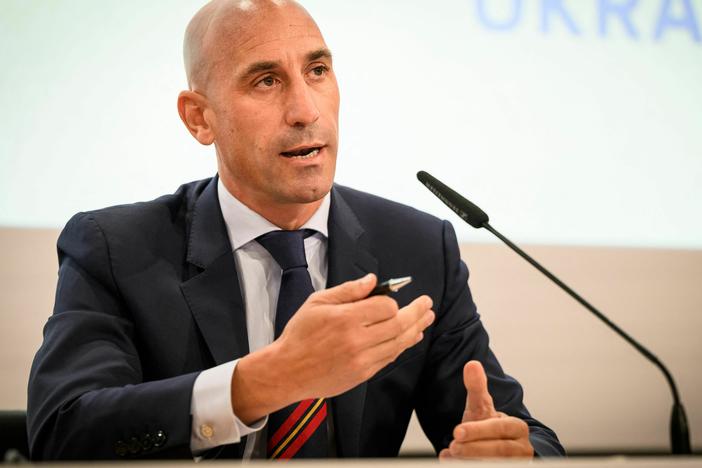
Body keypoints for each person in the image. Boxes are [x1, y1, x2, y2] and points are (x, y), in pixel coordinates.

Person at [27, 0, 564, 460]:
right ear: (199, 118)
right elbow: (62, 432)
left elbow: (522, 432)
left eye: (318, 71)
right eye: (266, 80)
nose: (305, 110)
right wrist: (265, 381)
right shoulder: (116, 247)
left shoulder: (419, 246)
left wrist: (511, 452)